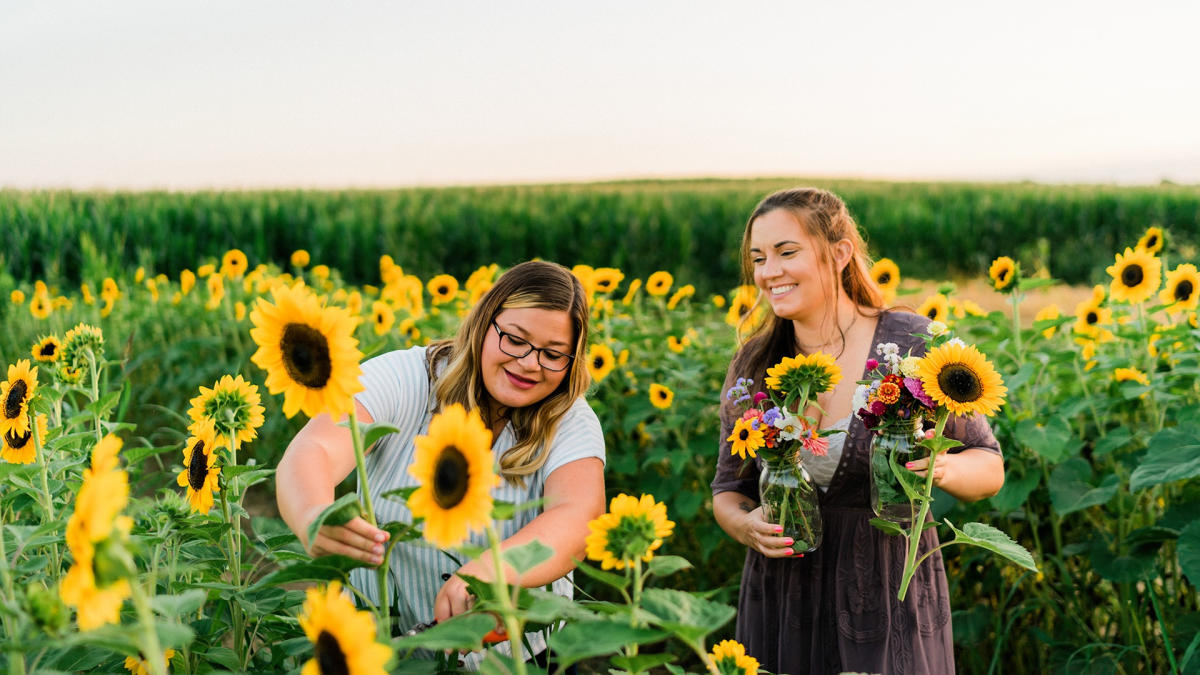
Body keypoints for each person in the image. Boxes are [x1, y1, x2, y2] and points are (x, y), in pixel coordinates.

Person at [710, 188, 1004, 674]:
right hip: (784, 597)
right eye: (758, 259)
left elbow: (988, 465)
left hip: (889, 592)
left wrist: (941, 465)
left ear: (841, 253)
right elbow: (729, 489)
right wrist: (745, 525)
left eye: (787, 252)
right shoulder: (755, 362)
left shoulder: (912, 343)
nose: (768, 272)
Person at [277, 260, 606, 668]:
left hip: (518, 662)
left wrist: (492, 572)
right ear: (485, 322)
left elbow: (578, 513)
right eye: (515, 340)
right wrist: (313, 513)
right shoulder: (409, 378)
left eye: (553, 354)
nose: (529, 363)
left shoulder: (568, 418)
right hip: (378, 650)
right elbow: (316, 448)